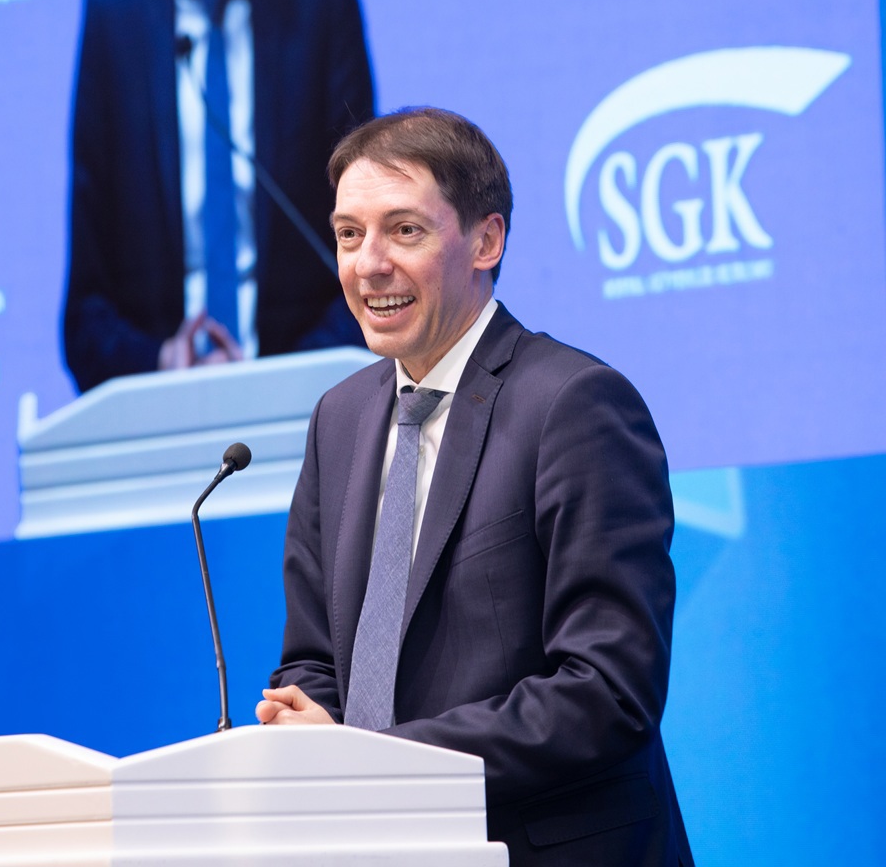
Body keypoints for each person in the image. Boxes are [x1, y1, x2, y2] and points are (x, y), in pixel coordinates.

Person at [256, 108, 693, 865]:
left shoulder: (574, 405)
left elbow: (607, 692)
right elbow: (315, 659)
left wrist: (374, 763)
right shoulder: (340, 418)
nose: (368, 265)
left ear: (486, 241)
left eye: (404, 231)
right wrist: (302, 726)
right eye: (350, 234)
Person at [62, 0, 374, 392]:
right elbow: (86, 315)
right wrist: (163, 365)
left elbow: (368, 245)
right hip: (166, 406)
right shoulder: (116, 7)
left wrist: (278, 384)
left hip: (305, 399)